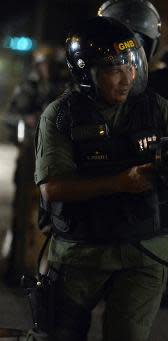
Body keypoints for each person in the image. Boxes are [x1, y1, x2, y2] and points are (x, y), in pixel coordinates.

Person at [28, 17, 168, 340]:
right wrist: (120, 182)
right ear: (86, 73)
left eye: (131, 66)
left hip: (144, 251)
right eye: (113, 69)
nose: (127, 78)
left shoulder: (155, 109)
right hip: (80, 253)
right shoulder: (61, 115)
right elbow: (52, 188)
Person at [4, 46, 68, 284]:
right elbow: (11, 116)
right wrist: (26, 120)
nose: (47, 70)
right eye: (43, 64)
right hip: (29, 156)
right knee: (22, 215)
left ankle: (45, 271)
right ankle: (17, 267)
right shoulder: (29, 88)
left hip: (54, 160)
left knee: (51, 217)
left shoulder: (65, 88)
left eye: (51, 65)